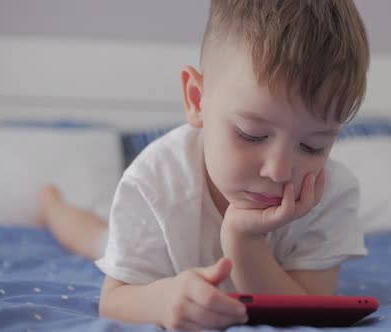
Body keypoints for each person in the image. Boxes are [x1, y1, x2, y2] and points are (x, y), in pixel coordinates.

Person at [38, 0, 370, 329]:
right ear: (197, 100)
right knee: (97, 238)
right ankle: (52, 204)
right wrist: (161, 300)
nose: (279, 171)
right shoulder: (155, 181)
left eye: (313, 145)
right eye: (251, 135)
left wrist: (244, 240)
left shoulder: (330, 193)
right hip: (158, 252)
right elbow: (113, 302)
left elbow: (305, 310)